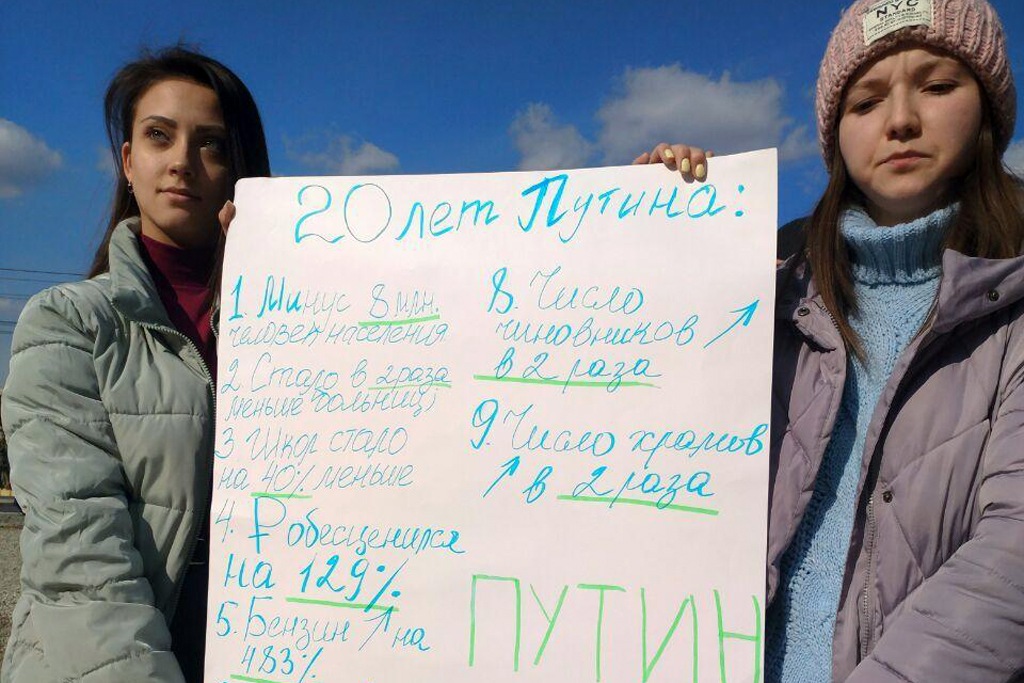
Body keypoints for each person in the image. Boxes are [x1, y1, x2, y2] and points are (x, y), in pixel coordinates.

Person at [637, 0, 1023, 680]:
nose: (900, 120)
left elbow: (1008, 561)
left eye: (937, 86)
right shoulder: (772, 298)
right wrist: (652, 229)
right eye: (866, 101)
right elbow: (643, 427)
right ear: (835, 134)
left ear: (987, 109)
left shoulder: (1011, 307)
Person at [1, 46, 269, 682]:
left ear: (240, 170)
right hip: (110, 660)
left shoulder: (297, 330)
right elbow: (79, 553)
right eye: (158, 135)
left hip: (272, 648)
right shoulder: (68, 322)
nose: (182, 160)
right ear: (128, 162)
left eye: (211, 144)